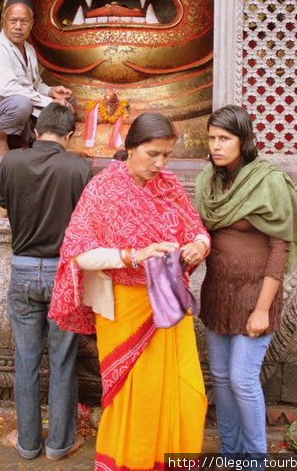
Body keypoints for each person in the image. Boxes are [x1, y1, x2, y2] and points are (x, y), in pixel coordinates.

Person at [49, 112, 211, 471]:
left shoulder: (168, 186)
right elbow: (78, 250)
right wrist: (132, 256)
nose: (160, 163)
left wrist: (199, 245)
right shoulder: (104, 189)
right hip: (126, 308)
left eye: (167, 154)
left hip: (169, 306)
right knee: (137, 398)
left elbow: (195, 227)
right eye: (153, 153)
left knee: (185, 392)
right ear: (131, 146)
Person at [195, 105, 297, 462]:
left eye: (224, 139)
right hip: (218, 294)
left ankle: (254, 459)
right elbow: (198, 229)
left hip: (254, 298)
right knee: (221, 378)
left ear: (243, 141)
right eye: (212, 138)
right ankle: (229, 452)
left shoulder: (267, 180)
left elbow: (280, 245)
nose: (216, 145)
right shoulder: (209, 182)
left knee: (242, 380)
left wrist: (262, 309)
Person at [0, 103, 93, 461]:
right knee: (64, 358)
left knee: (26, 359)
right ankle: (59, 444)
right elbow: (87, 224)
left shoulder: (11, 162)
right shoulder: (80, 168)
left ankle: (28, 443)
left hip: (22, 270)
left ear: (36, 131)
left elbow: (5, 210)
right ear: (69, 136)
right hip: (63, 273)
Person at [0, 0, 73, 155]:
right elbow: (6, 89)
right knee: (22, 104)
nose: (18, 27)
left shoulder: (28, 49)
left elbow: (33, 84)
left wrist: (51, 91)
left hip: (20, 107)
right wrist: (49, 102)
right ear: (3, 22)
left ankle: (45, 141)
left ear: (32, 23)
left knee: (67, 99)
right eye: (13, 21)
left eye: (24, 21)